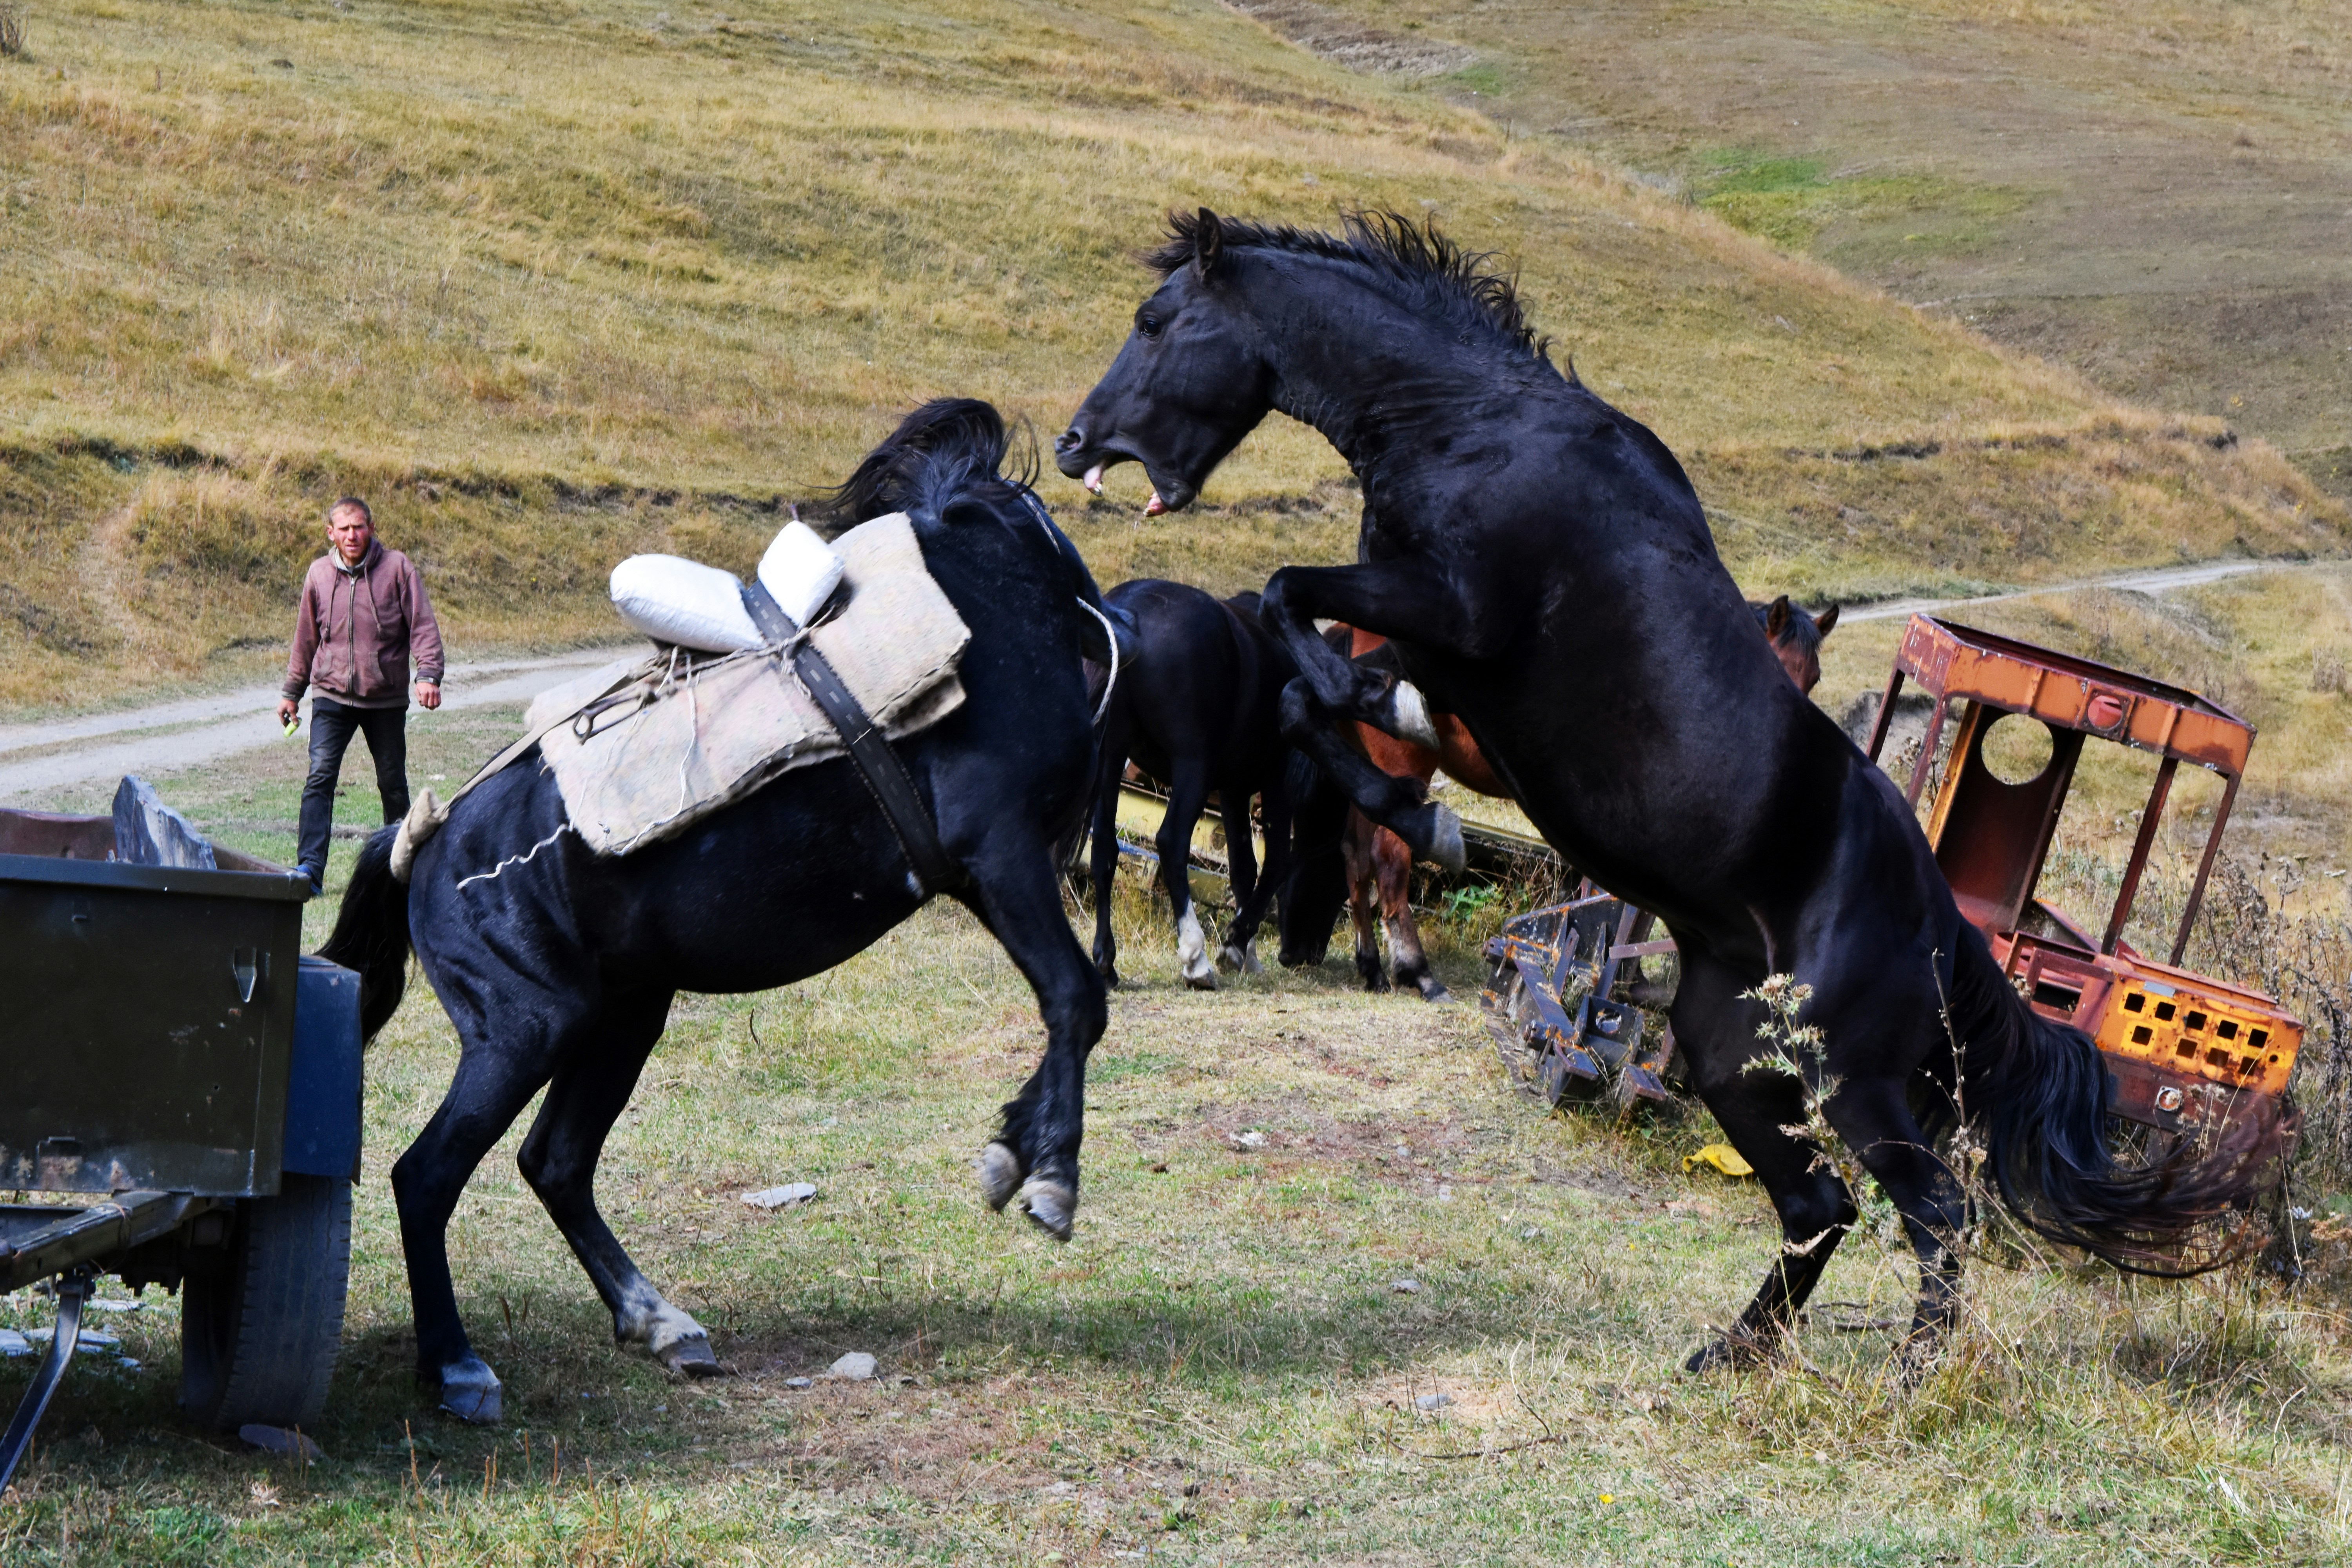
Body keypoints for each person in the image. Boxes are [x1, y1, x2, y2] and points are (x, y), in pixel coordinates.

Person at [278, 497, 443, 893]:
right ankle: (310, 870)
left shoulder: (398, 569)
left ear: (371, 527)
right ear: (330, 533)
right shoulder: (318, 575)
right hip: (331, 695)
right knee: (320, 776)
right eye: (344, 528)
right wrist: (291, 692)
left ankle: (404, 869)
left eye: (359, 527)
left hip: (384, 697)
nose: (353, 535)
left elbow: (423, 625)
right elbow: (306, 639)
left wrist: (428, 674)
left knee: (392, 783)